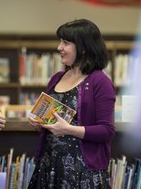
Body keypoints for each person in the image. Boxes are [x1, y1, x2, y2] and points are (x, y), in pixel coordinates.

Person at [28, 19, 115, 188]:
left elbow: (107, 131)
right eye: (60, 41)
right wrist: (39, 123)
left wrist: (68, 130)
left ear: (83, 48)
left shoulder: (100, 81)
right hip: (49, 165)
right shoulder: (57, 78)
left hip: (81, 171)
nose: (59, 47)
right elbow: (51, 119)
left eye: (66, 43)